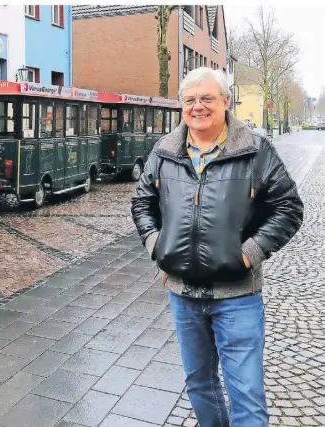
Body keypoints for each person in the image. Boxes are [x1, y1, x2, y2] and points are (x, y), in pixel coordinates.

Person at [131, 67, 303, 427]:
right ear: (181, 106)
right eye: (190, 100)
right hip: (182, 294)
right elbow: (142, 202)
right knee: (200, 386)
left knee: (247, 396)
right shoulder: (164, 151)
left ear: (225, 102)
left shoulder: (254, 150)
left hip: (237, 295)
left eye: (207, 98)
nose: (198, 107)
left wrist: (250, 252)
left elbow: (289, 207)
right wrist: (155, 246)